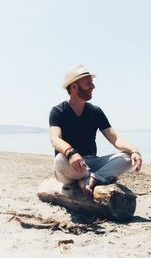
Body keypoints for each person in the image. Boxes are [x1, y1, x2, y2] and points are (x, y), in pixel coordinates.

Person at [49, 65, 142, 196]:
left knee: (128, 156)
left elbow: (114, 138)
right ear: (74, 87)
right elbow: (55, 139)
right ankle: (92, 177)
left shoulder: (95, 111)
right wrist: (71, 153)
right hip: (69, 165)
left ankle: (94, 178)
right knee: (59, 159)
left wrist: (134, 151)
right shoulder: (58, 111)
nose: (93, 87)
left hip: (92, 163)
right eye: (88, 83)